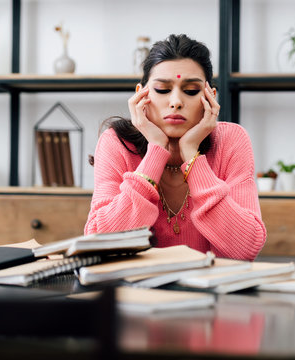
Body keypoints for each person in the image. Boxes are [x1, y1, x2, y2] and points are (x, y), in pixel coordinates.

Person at [84, 34, 266, 260]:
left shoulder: (231, 141)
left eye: (191, 90)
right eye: (162, 89)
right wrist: (156, 151)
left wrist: (192, 154)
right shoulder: (116, 143)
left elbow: (245, 249)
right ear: (142, 95)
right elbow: (100, 243)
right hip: (137, 291)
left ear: (211, 97)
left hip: (212, 291)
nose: (176, 101)